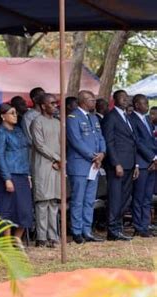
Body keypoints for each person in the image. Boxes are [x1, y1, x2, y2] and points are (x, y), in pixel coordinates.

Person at [66, 90, 106, 244]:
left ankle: (87, 231)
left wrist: (102, 153)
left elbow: (100, 137)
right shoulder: (73, 117)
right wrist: (93, 156)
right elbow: (76, 141)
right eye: (92, 100)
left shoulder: (93, 117)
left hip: (94, 165)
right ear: (83, 101)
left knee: (90, 200)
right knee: (78, 200)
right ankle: (76, 231)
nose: (94, 102)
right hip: (80, 165)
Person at [0, 104, 33, 243]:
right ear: (3, 116)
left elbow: (24, 153)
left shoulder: (18, 131)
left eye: (15, 113)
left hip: (22, 173)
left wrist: (28, 174)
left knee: (25, 209)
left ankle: (17, 238)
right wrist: (6, 178)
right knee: (7, 208)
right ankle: (7, 241)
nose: (15, 115)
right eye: (12, 113)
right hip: (8, 174)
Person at [102, 90, 138, 241]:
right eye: (122, 98)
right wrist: (116, 163)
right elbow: (109, 142)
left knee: (124, 198)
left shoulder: (127, 117)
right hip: (118, 165)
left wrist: (136, 164)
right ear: (114, 100)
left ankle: (118, 226)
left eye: (126, 98)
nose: (125, 100)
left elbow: (133, 142)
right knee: (115, 198)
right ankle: (112, 230)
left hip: (130, 163)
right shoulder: (111, 117)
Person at [30, 94, 61, 248]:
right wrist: (57, 158)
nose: (55, 106)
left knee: (54, 201)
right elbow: (40, 145)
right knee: (43, 201)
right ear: (43, 106)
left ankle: (53, 236)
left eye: (56, 103)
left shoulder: (57, 122)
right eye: (52, 103)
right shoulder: (37, 122)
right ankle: (41, 237)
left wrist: (61, 160)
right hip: (43, 165)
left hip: (57, 166)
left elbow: (63, 143)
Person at [128, 94, 156, 238]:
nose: (147, 105)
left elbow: (152, 141)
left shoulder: (146, 119)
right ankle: (138, 226)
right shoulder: (131, 119)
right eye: (144, 103)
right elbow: (137, 142)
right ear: (137, 105)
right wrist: (153, 158)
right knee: (138, 197)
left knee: (147, 197)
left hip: (152, 164)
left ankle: (145, 225)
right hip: (142, 163)